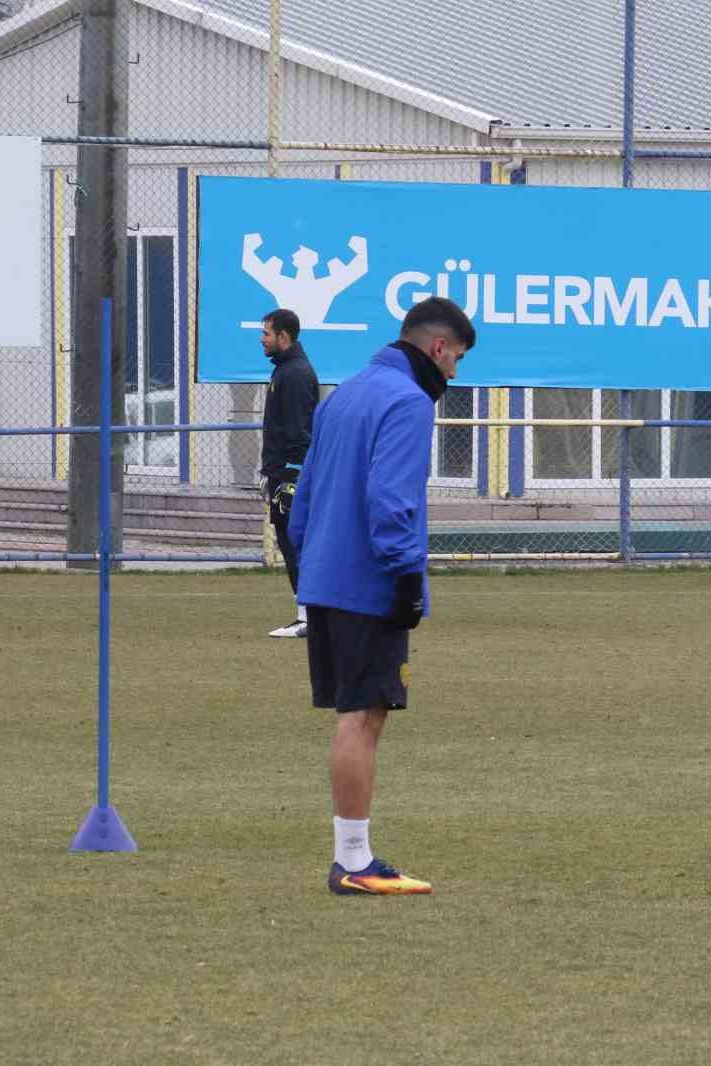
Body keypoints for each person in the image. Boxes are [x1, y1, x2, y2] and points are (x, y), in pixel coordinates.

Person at [287, 296, 475, 896]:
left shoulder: (342, 396)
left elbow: (303, 500)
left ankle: (353, 857)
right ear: (438, 348)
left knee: (355, 714)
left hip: (325, 579)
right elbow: (392, 500)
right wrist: (406, 580)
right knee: (362, 718)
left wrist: (310, 570)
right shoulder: (408, 401)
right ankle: (353, 861)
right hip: (369, 583)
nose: (454, 374)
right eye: (456, 360)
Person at [258, 308, 319, 638]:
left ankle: (309, 617)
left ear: (284, 336)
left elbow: (299, 431)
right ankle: (308, 614)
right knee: (289, 542)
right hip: (280, 473)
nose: (261, 339)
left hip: (291, 476)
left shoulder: (295, 374)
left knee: (296, 543)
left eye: (266, 333)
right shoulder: (284, 370)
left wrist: (292, 477)